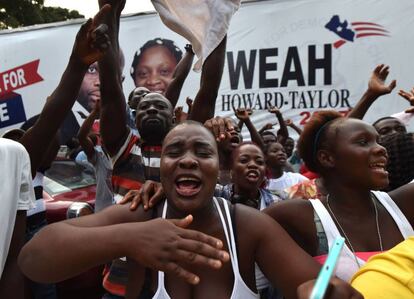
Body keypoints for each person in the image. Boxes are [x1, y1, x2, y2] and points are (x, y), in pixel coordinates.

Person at [18, 121, 362, 299]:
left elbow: (312, 286)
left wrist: (319, 291)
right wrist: (128, 239)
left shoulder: (248, 227)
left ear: (219, 168)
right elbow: (34, 260)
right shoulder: (143, 213)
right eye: (175, 151)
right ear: (161, 167)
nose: (187, 159)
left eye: (202, 152)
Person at [264, 110, 414, 282]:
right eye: (364, 142)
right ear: (327, 158)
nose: (381, 148)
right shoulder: (299, 216)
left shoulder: (406, 203)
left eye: (378, 141)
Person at [77, 102, 114, 212]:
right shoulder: (98, 156)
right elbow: (81, 136)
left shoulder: (128, 154)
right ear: (100, 138)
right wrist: (94, 113)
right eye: (103, 134)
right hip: (103, 213)